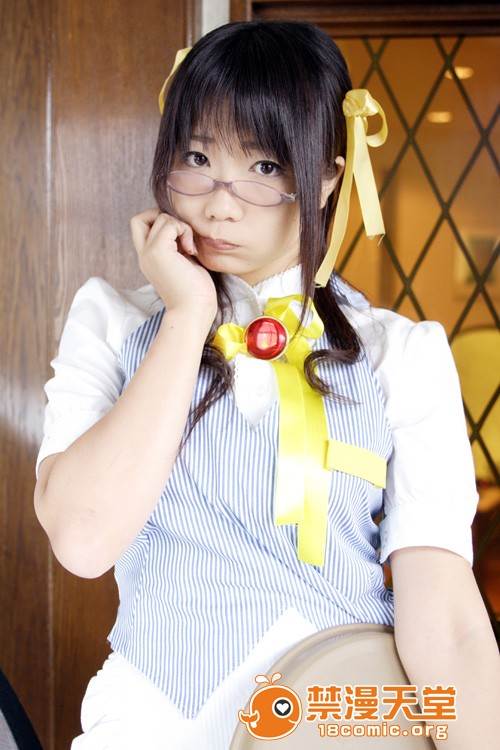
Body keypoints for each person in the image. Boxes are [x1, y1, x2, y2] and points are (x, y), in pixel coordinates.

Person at [33, 20, 498, 750]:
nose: (220, 204)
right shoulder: (113, 321)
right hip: (151, 724)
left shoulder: (402, 356)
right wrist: (187, 316)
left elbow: (447, 623)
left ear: (327, 177)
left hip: (336, 725)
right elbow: (83, 541)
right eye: (197, 158)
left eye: (265, 166)